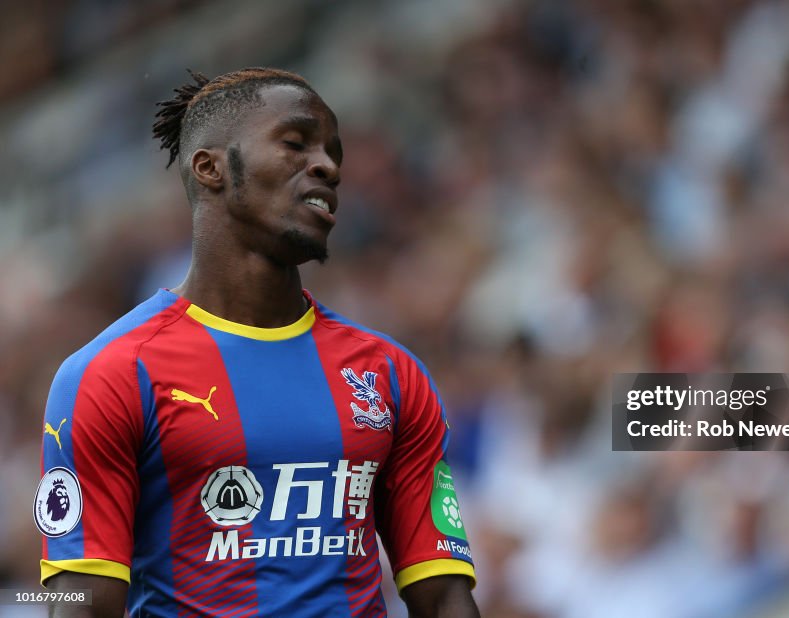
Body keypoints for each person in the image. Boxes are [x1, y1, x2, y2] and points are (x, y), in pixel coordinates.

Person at [36, 67, 478, 617]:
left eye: (333, 151)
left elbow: (444, 597)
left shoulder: (390, 373)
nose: (328, 166)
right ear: (211, 167)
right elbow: (73, 600)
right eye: (295, 143)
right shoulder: (110, 374)